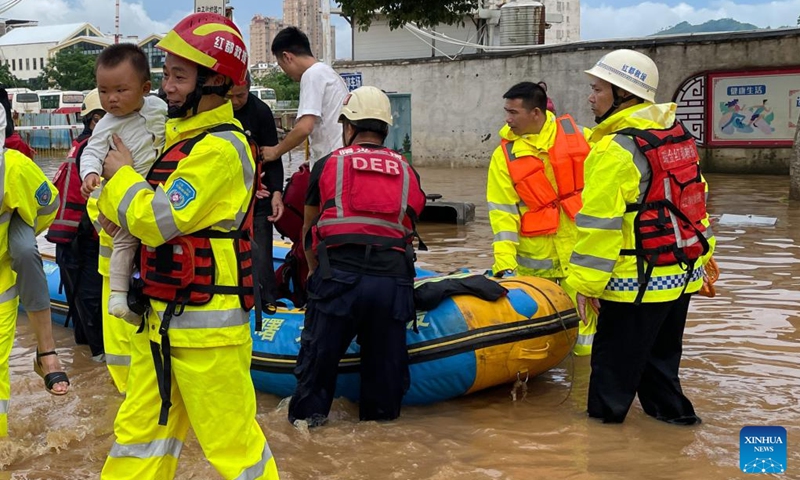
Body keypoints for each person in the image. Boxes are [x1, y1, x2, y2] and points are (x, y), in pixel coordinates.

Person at [96, 12, 279, 479]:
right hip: (159, 322)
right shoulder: (177, 140)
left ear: (216, 81)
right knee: (138, 438)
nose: (167, 86)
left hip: (207, 334)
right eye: (165, 74)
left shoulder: (221, 149)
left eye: (180, 76)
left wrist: (121, 179)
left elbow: (157, 220)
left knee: (233, 448)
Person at [565, 49, 716, 425]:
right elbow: (695, 200)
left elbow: (599, 226)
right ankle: (678, 430)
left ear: (624, 96)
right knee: (659, 367)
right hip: (680, 275)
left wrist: (585, 284)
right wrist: (705, 254)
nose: (590, 96)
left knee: (611, 378)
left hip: (637, 281)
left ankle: (601, 451)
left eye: (597, 89)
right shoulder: (676, 134)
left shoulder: (615, 150)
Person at [288, 86, 425, 427]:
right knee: (385, 386)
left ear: (348, 127)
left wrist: (316, 277)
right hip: (392, 284)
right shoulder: (407, 170)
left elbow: (308, 232)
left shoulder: (326, 165)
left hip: (338, 280)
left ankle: (308, 439)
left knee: (315, 375)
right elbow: (408, 225)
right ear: (385, 129)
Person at [486, 81, 596, 356]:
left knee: (585, 336)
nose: (507, 119)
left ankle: (581, 388)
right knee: (533, 339)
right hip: (532, 262)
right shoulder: (504, 156)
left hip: (580, 256)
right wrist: (505, 267)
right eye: (506, 112)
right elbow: (503, 216)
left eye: (513, 112)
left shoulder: (583, 138)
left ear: (536, 113)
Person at [79, 43, 167, 323]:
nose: (111, 99)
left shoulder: (159, 108)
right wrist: (90, 174)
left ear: (145, 88)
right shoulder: (106, 124)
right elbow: (91, 151)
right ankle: (119, 294)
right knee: (125, 240)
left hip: (151, 191)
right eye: (103, 91)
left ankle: (140, 292)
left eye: (120, 90)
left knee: (150, 237)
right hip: (124, 193)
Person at [0, 90, 71, 399]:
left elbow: (47, 205)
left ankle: (46, 350)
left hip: (8, 265)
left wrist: (19, 226)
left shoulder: (15, 166)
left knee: (27, 250)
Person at [47, 88, 106, 361]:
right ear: (95, 119)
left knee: (80, 301)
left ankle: (85, 360)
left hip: (67, 239)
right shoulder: (95, 150)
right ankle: (99, 357)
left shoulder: (81, 146)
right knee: (91, 300)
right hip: (84, 240)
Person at [229, 73, 285, 307]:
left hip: (259, 193)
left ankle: (267, 299)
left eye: (240, 95)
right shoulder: (215, 110)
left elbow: (273, 155)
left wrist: (276, 192)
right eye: (229, 96)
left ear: (249, 89)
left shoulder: (260, 111)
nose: (234, 101)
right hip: (229, 194)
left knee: (261, 251)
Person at [263, 26, 348, 168]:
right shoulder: (328, 73)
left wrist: (275, 152)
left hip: (331, 165)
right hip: (340, 159)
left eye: (281, 65)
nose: (284, 72)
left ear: (287, 57)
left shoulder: (311, 75)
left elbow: (304, 128)